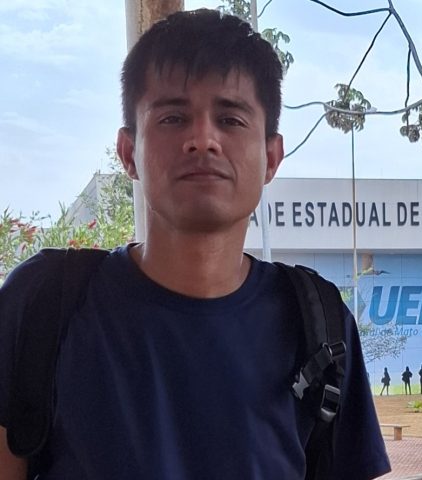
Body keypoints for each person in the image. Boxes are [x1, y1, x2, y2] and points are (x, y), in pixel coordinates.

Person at [0, 9, 390, 480]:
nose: (202, 140)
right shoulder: (42, 305)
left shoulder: (321, 325)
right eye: (173, 117)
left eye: (230, 119)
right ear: (128, 152)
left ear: (271, 157)